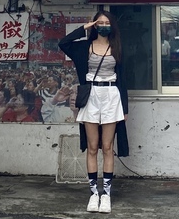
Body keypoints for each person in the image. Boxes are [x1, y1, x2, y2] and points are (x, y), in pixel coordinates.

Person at [58, 11, 128, 214]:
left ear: (112, 26)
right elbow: (63, 43)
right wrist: (84, 28)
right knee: (92, 146)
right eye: (100, 22)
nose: (104, 25)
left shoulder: (117, 47)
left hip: (111, 96)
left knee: (107, 147)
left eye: (107, 22)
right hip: (91, 95)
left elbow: (123, 79)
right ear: (95, 25)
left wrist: (125, 107)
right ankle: (93, 194)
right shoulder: (84, 47)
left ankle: (106, 194)